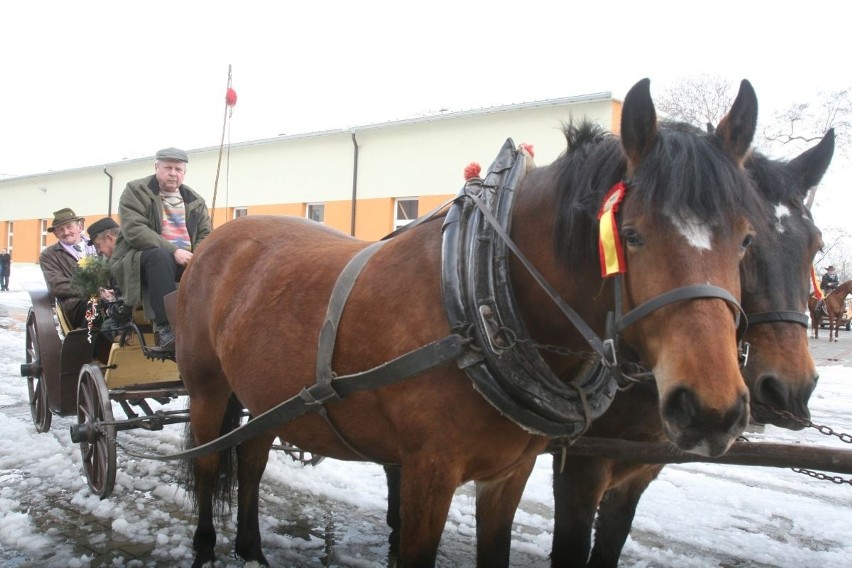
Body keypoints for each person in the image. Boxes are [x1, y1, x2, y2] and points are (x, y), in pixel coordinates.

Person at [110, 147, 212, 351]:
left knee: (215, 266)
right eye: (168, 167)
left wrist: (197, 257)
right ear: (156, 167)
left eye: (178, 169)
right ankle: (165, 328)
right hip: (137, 258)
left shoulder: (195, 200)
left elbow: (205, 233)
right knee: (160, 257)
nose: (173, 173)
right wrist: (174, 250)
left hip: (185, 259)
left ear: (184, 172)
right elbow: (134, 230)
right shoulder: (136, 190)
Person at [38, 208, 98, 328]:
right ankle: (87, 344)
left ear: (80, 227)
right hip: (76, 303)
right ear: (55, 234)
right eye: (60, 229)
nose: (66, 232)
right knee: (97, 307)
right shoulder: (49, 255)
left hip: (109, 295)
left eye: (69, 227)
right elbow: (57, 285)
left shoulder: (99, 244)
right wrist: (93, 290)